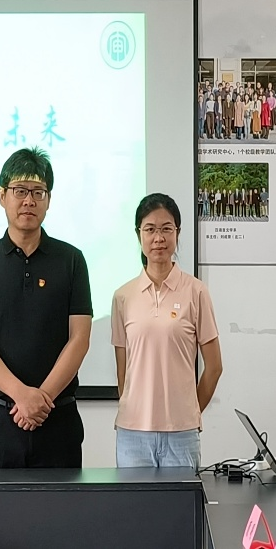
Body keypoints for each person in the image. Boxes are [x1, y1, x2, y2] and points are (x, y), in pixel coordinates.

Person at [0, 147, 93, 468]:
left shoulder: (72, 260)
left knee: (63, 504)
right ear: (2, 196)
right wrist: (22, 395)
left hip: (58, 418)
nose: (29, 201)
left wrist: (41, 399)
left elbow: (79, 338)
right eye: (20, 191)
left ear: (49, 199)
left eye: (38, 192)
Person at [110, 193, 223, 469]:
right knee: (134, 500)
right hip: (132, 433)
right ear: (139, 234)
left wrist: (189, 412)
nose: (158, 238)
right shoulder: (123, 296)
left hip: (181, 435)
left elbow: (214, 366)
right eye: (150, 229)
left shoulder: (196, 292)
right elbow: (123, 369)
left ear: (177, 233)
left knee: (180, 499)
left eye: (166, 229)